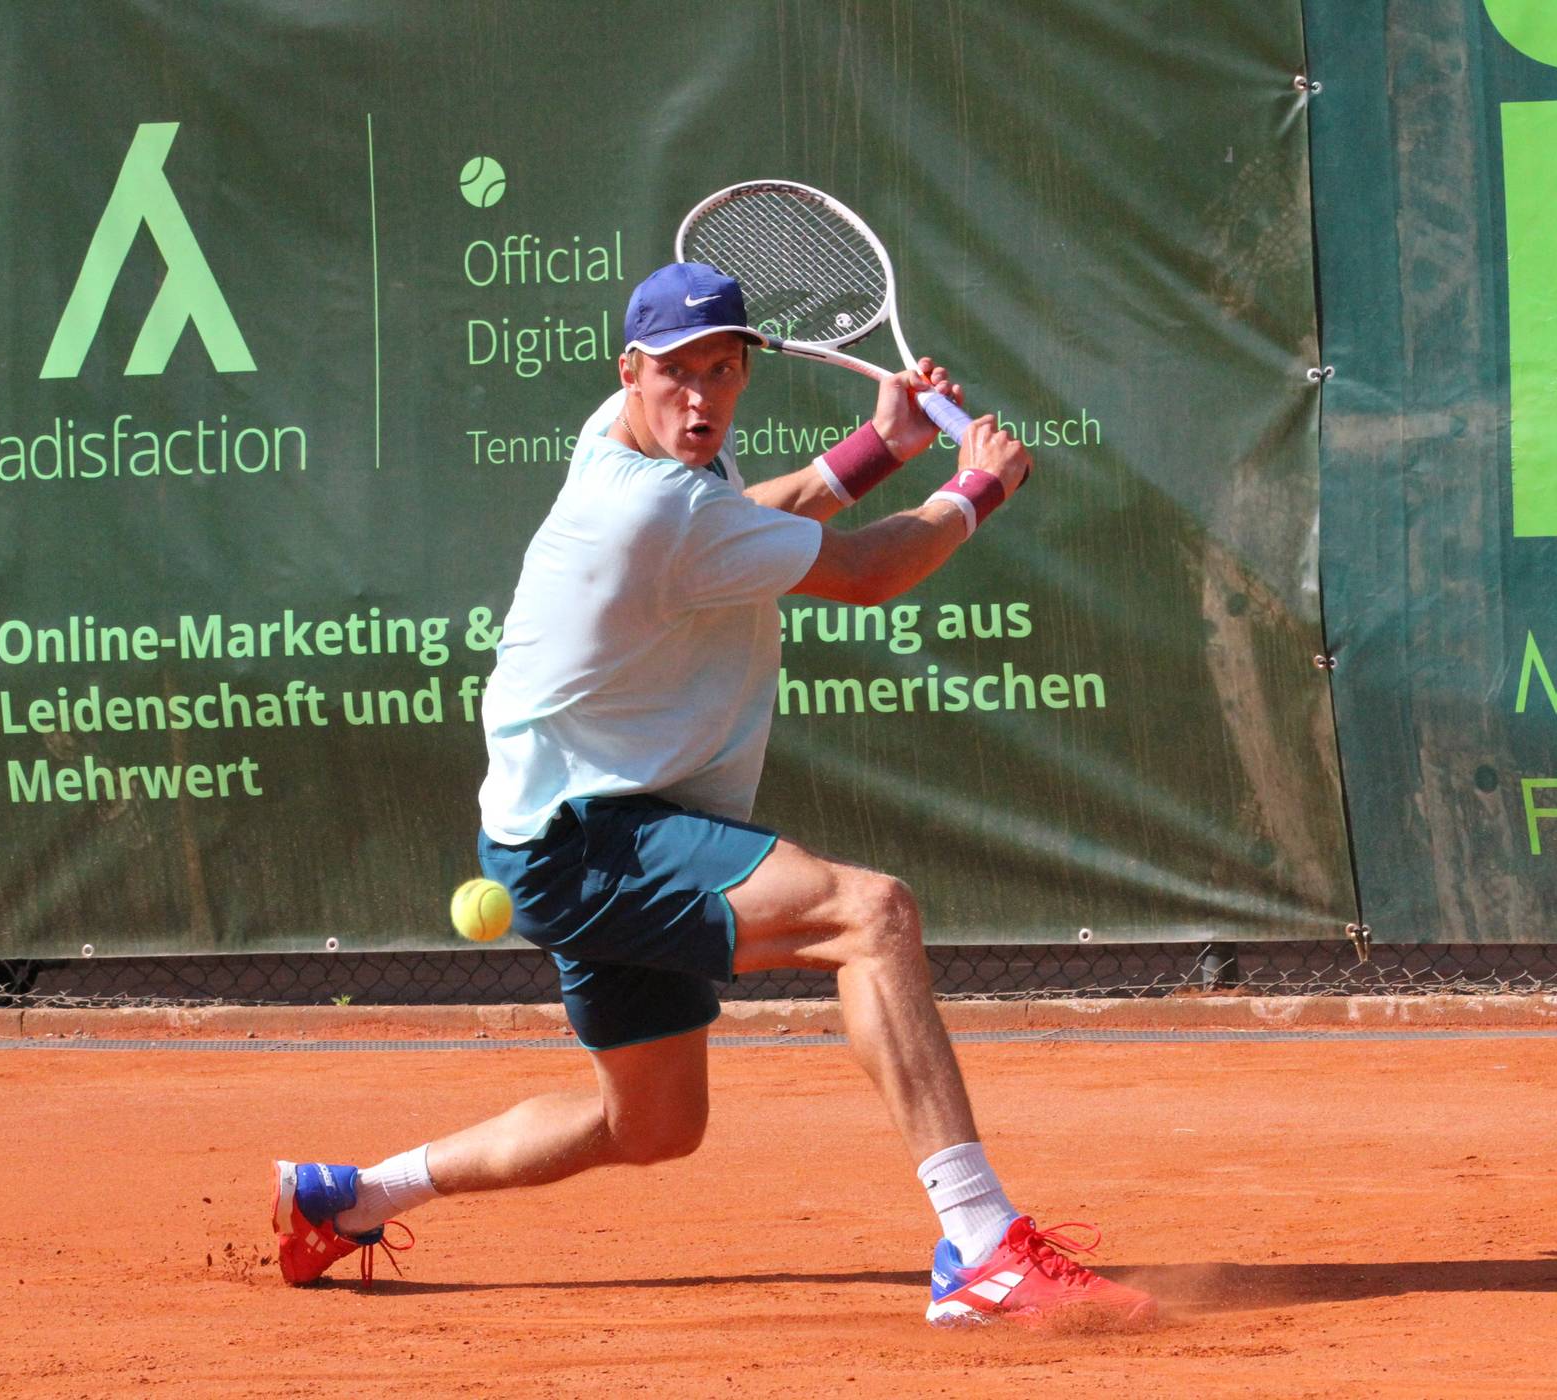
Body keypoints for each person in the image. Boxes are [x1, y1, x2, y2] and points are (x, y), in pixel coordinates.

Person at [269, 262, 1156, 1327]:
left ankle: (353, 1196)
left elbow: (748, 522)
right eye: (677, 374)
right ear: (630, 370)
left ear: (743, 370)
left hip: (570, 821)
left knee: (651, 1124)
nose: (700, 398)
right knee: (873, 917)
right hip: (587, 835)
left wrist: (879, 447)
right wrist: (975, 488)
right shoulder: (647, 510)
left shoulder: (642, 440)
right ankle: (982, 1243)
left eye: (722, 373)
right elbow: (865, 569)